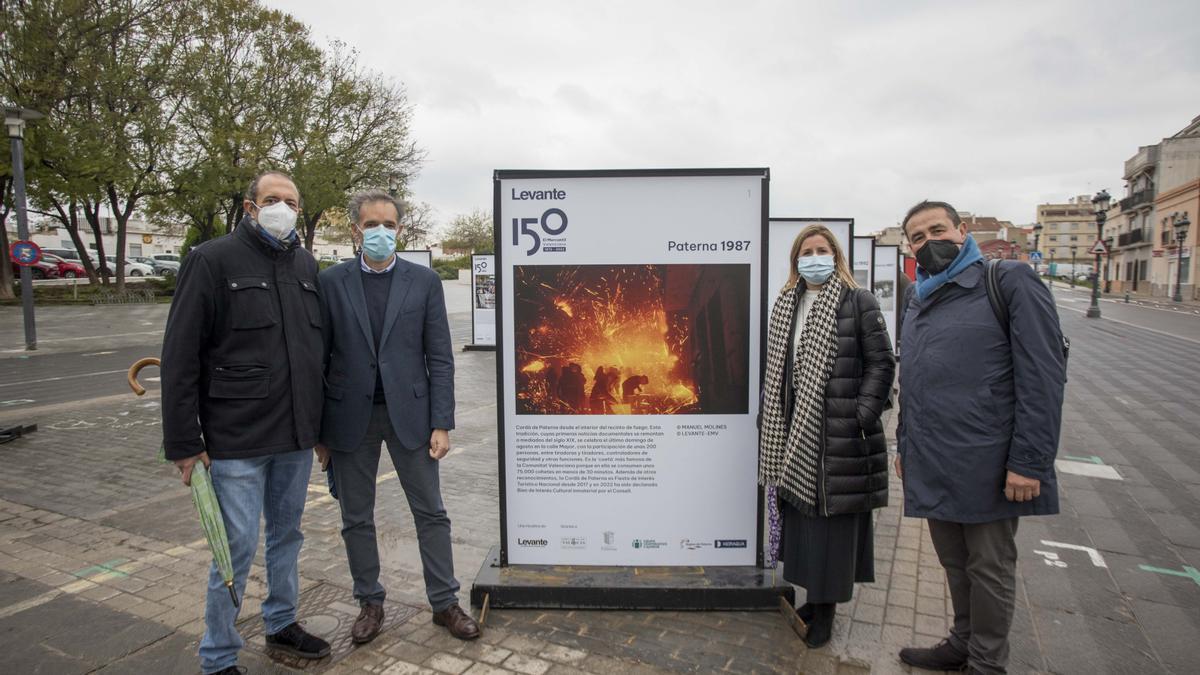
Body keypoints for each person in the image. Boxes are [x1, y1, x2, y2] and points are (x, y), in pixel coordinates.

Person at [161, 171, 331, 675]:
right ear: (249, 207)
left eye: (291, 202)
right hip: (235, 439)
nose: (282, 207)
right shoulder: (210, 260)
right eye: (272, 199)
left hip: (296, 437)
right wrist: (184, 444)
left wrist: (320, 432)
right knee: (233, 548)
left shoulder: (305, 264)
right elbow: (179, 357)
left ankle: (281, 623)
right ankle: (217, 656)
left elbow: (313, 353)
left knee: (287, 536)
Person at [895, 201, 1065, 675]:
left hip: (989, 459)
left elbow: (1043, 377)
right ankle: (962, 642)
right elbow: (915, 377)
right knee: (953, 560)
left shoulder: (1008, 281)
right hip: (933, 455)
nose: (928, 242)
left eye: (937, 230)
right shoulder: (918, 297)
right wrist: (904, 445)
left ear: (961, 230)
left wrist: (1030, 461)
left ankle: (987, 663)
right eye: (918, 237)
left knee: (989, 568)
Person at [316, 189, 480, 644]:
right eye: (372, 226)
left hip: (412, 417)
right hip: (350, 421)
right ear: (355, 232)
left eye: (389, 225)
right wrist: (319, 433)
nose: (381, 233)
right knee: (356, 517)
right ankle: (370, 602)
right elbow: (319, 358)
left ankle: (445, 602)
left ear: (400, 230)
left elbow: (440, 358)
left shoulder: (422, 282)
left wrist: (442, 422)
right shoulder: (331, 283)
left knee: (431, 513)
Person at [757, 224, 896, 649]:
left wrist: (861, 414)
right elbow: (779, 370)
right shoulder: (786, 304)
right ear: (795, 260)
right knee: (804, 523)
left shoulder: (858, 301)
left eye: (822, 250)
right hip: (795, 432)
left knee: (832, 529)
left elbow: (882, 364)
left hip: (839, 434)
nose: (814, 257)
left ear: (836, 257)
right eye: (806, 251)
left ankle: (826, 614)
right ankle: (812, 601)